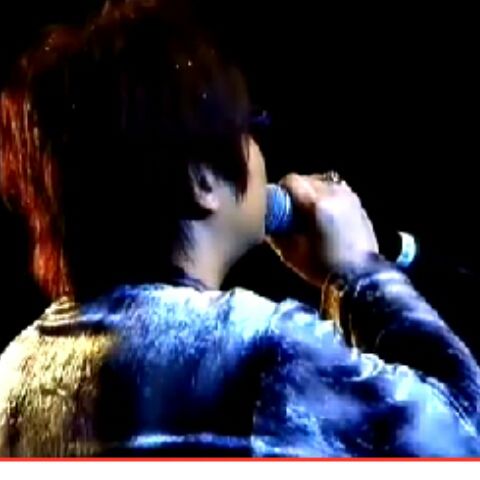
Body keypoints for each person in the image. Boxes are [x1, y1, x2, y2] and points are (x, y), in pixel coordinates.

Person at [0, 0, 479, 457]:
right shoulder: (261, 348)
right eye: (248, 128)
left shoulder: (13, 373)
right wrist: (363, 275)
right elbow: (464, 436)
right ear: (202, 182)